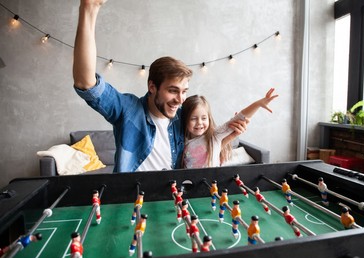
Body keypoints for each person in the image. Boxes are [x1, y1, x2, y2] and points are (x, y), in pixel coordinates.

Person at [73, 0, 247, 173]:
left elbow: (200, 147)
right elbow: (86, 83)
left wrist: (228, 137)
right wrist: (89, 9)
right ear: (152, 87)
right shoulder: (128, 109)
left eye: (184, 92)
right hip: (133, 196)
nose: (179, 100)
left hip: (172, 196)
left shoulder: (182, 117)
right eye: (172, 91)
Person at [181, 88, 278, 168]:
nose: (199, 123)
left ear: (209, 119)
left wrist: (258, 104)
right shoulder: (181, 141)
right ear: (185, 119)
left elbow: (239, 118)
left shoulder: (214, 136)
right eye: (193, 118)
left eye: (204, 118)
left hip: (213, 183)